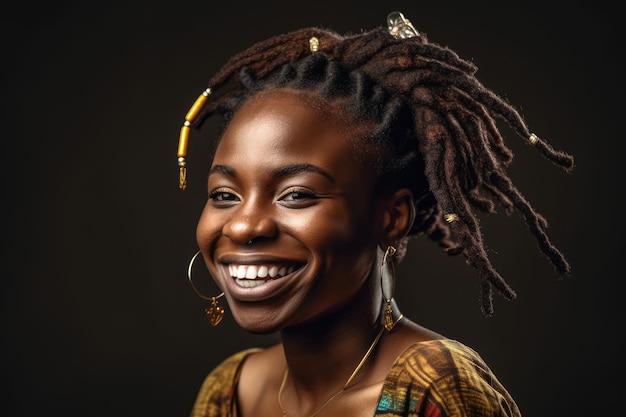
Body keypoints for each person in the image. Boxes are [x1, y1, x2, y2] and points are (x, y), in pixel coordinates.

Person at [175, 11, 574, 417]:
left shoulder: (435, 391)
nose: (243, 225)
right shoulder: (229, 389)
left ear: (392, 217)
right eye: (224, 195)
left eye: (295, 195)